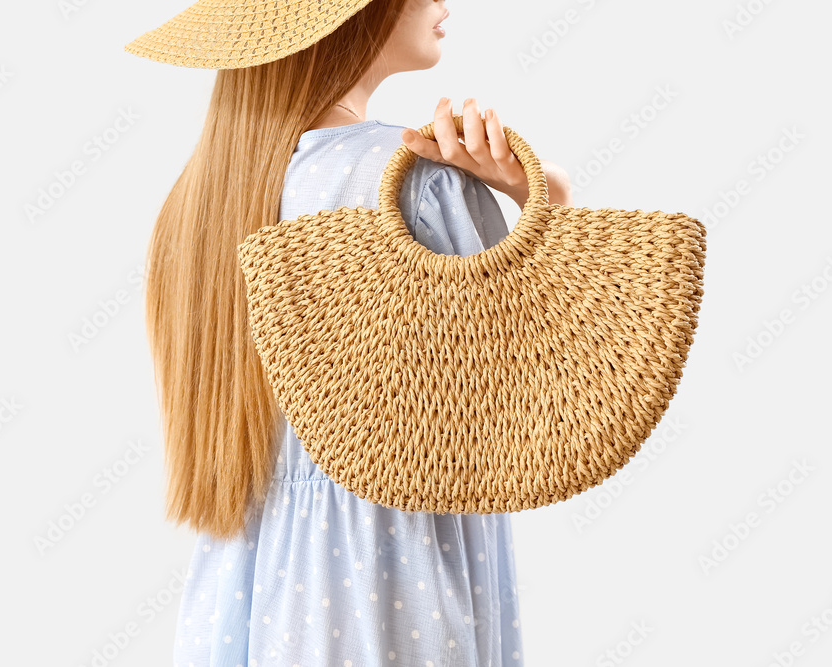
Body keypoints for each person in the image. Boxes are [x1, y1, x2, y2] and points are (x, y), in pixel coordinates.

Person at [125, 1, 573, 664]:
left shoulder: (197, 204)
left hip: (231, 604)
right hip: (389, 586)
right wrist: (549, 204)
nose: (445, 3)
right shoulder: (414, 185)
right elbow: (526, 412)